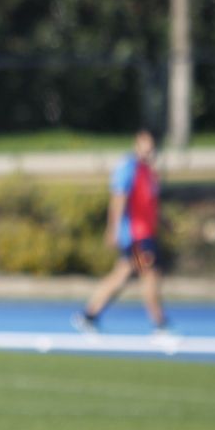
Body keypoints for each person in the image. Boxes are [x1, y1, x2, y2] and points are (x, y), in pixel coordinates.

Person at [73, 127, 171, 335]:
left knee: (122, 275)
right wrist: (113, 228)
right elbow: (119, 199)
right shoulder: (129, 167)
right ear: (137, 142)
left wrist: (163, 222)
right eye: (145, 142)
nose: (149, 148)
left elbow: (149, 204)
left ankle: (89, 316)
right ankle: (160, 324)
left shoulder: (149, 171)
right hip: (135, 237)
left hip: (146, 234)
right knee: (149, 275)